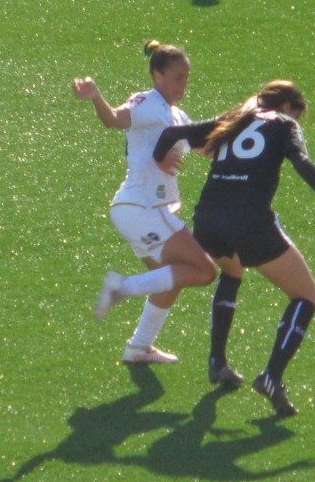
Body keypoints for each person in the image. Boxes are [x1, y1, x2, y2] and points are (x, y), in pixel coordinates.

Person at [152, 80, 315, 416]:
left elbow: (168, 136)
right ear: (288, 107)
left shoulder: (234, 119)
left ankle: (217, 360)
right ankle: (271, 376)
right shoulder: (283, 124)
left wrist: (160, 162)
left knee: (232, 271)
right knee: (306, 296)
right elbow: (302, 163)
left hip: (208, 217)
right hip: (248, 221)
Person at [72, 41, 217, 364]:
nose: (183, 85)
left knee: (170, 279)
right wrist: (96, 97)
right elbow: (114, 119)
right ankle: (122, 288)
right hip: (144, 206)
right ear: (157, 75)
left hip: (137, 211)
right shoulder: (146, 102)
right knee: (205, 271)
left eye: (187, 78)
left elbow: (207, 148)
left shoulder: (178, 115)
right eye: (178, 77)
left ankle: (138, 347)